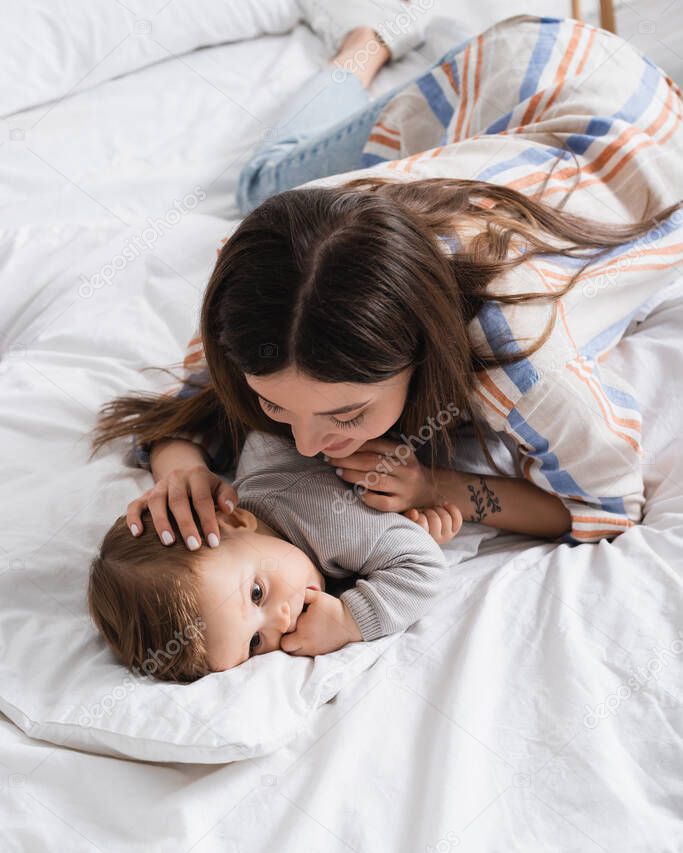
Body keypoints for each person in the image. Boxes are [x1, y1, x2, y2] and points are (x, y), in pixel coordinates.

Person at [91, 11, 683, 555]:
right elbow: (185, 408)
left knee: (259, 179)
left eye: (347, 415)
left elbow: (606, 506)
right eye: (273, 405)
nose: (306, 446)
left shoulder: (521, 356)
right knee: (269, 196)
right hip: (513, 106)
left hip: (577, 83)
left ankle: (365, 39)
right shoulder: (266, 262)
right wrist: (181, 470)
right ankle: (371, 47)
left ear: (419, 349)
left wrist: (440, 484)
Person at [88, 431, 461, 680]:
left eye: (256, 594)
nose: (281, 623)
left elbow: (425, 568)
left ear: (237, 519)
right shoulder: (273, 547)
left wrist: (350, 620)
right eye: (254, 643)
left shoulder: (325, 522)